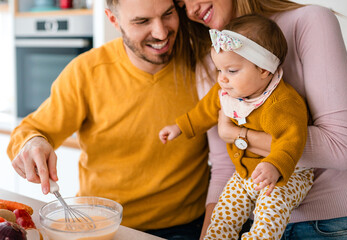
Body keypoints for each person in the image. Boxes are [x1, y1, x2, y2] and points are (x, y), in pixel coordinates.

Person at [6, 0, 234, 238]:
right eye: (142, 21)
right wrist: (31, 143)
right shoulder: (86, 72)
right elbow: (30, 130)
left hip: (185, 227)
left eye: (168, 14)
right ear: (113, 20)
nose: (161, 32)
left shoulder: (208, 65)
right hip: (101, 226)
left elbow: (225, 158)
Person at [175, 0, 347, 239]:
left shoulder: (309, 21)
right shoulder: (215, 60)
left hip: (333, 222)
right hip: (250, 217)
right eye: (181, 3)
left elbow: (340, 148)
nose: (191, 10)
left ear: (265, 70)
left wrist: (238, 136)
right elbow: (224, 168)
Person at [159, 14, 313, 239]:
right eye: (219, 71)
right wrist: (180, 127)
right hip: (244, 173)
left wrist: (275, 166)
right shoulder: (226, 92)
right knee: (224, 214)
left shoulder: (282, 103)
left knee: (269, 213)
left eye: (231, 71)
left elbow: (292, 140)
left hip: (286, 175)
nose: (222, 79)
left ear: (263, 70)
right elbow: (204, 110)